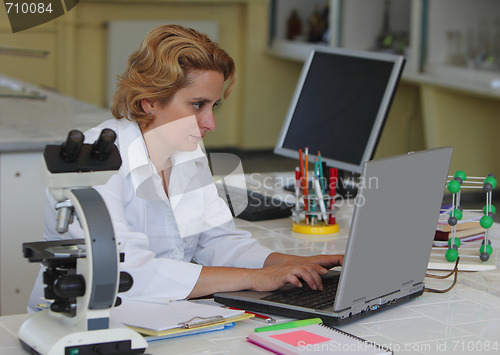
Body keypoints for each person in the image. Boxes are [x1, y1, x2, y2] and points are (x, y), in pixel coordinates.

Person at [28, 24, 342, 311]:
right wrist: (255, 278)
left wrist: (289, 264)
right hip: (89, 318)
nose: (210, 123)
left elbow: (216, 240)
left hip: (164, 312)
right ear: (149, 101)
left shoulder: (185, 149)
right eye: (197, 105)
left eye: (213, 105)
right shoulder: (95, 160)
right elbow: (125, 270)